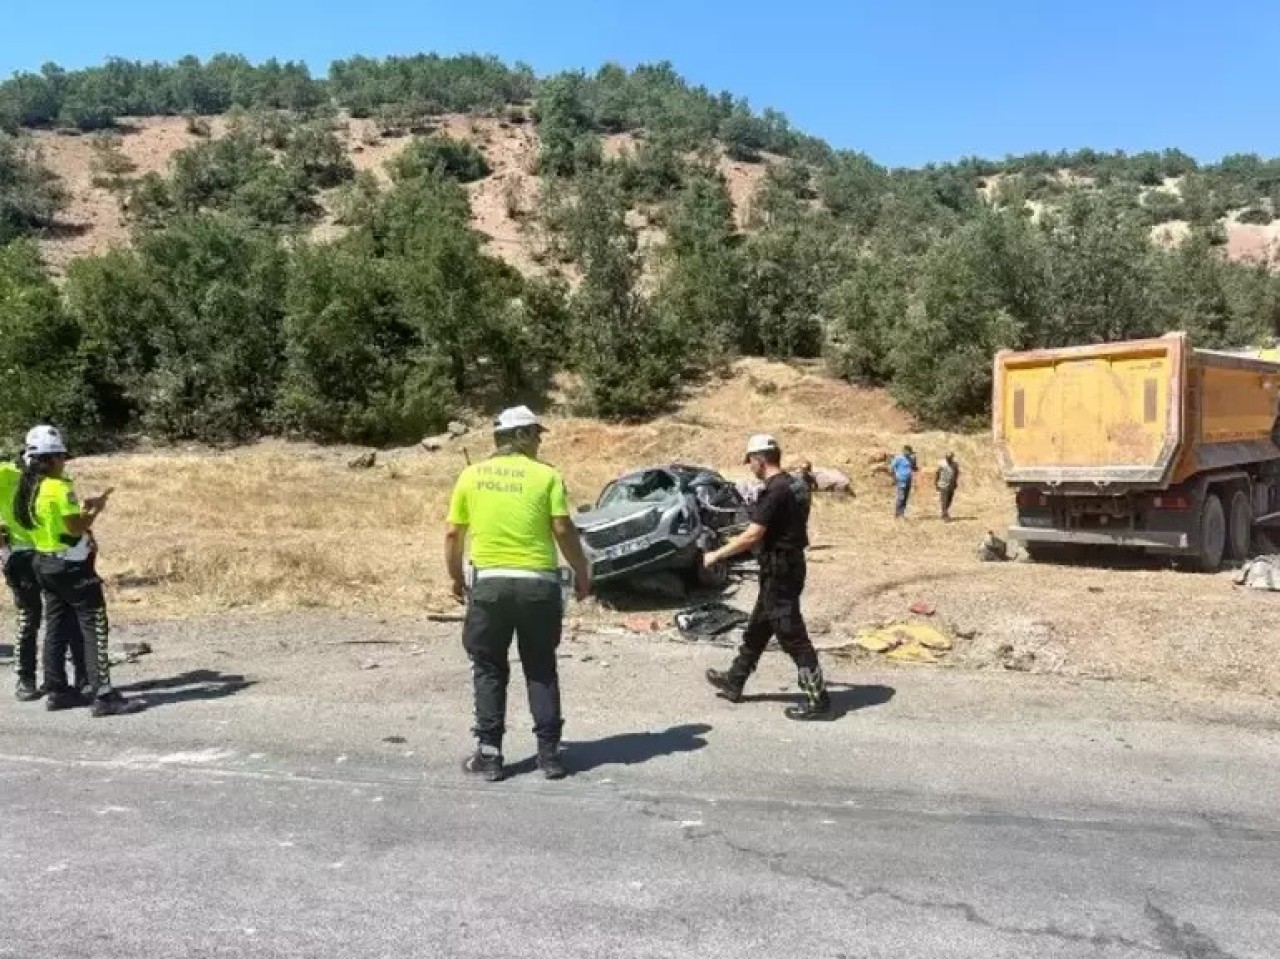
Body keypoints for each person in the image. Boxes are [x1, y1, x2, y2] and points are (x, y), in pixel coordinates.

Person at [445, 406, 591, 783]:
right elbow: (561, 527)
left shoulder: (471, 475)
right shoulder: (547, 476)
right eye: (536, 434)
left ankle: (490, 756)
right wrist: (582, 570)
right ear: (522, 436)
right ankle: (550, 756)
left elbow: (453, 535)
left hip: (490, 583)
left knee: (489, 667)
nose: (541, 441)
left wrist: (456, 579)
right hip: (538, 585)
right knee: (540, 665)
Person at [703, 434, 832, 721]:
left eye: (750, 461)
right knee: (759, 626)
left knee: (792, 634)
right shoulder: (796, 485)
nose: (750, 467)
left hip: (780, 569)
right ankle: (734, 681)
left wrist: (716, 555)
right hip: (787, 565)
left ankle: (818, 699)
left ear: (759, 459)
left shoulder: (776, 491)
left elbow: (752, 534)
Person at [17, 425, 140, 716]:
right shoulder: (59, 487)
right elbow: (75, 527)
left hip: (44, 562)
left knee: (56, 625)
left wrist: (81, 510)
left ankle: (57, 690)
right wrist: (95, 511)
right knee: (94, 623)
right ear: (51, 459)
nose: (65, 462)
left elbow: (55, 524)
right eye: (62, 457)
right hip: (71, 565)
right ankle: (103, 693)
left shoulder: (27, 489)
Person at [0, 445, 86, 702]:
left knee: (64, 617)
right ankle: (26, 678)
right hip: (21, 553)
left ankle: (75, 678)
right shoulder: (7, 474)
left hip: (50, 553)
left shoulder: (53, 479)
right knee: (29, 617)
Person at [891, 445, 918, 519]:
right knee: (901, 497)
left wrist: (915, 463)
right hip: (901, 480)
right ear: (905, 451)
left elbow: (914, 468)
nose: (910, 454)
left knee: (905, 497)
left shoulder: (911, 458)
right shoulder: (898, 458)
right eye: (909, 452)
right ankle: (897, 514)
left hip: (908, 480)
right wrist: (895, 478)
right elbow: (892, 468)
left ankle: (902, 513)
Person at [936, 453, 960, 521]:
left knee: (949, 500)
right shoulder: (942, 464)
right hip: (943, 484)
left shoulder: (955, 465)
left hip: (951, 485)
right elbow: (937, 474)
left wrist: (955, 482)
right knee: (944, 500)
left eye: (950, 458)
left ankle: (944, 512)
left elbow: (956, 474)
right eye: (947, 458)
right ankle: (945, 515)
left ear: (952, 458)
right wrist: (936, 483)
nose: (948, 459)